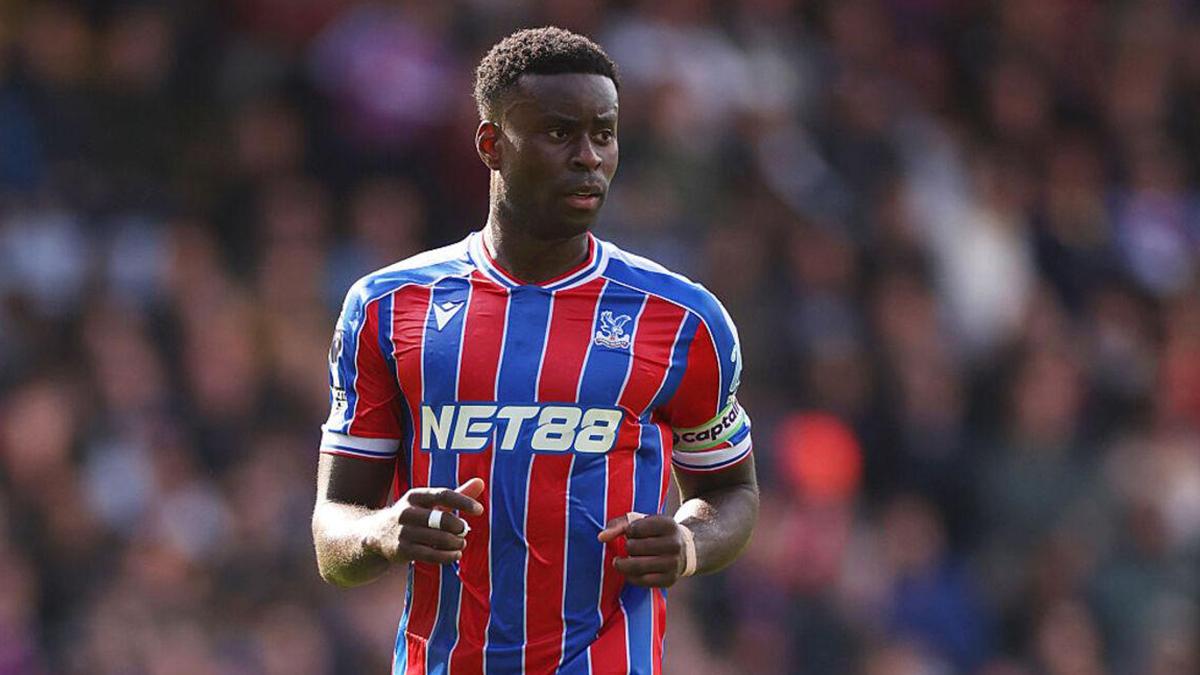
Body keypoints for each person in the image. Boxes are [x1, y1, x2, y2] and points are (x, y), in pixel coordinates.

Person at [311, 26, 759, 675]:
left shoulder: (683, 319)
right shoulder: (387, 307)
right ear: (491, 145)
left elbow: (732, 488)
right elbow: (333, 533)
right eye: (559, 133)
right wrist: (381, 532)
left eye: (604, 134)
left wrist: (690, 541)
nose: (588, 157)